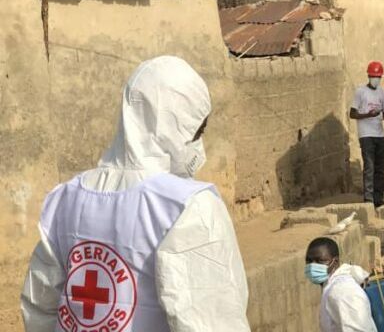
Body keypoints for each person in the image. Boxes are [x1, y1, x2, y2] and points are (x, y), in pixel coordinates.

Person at [21, 56, 250, 332]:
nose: (199, 145)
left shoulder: (65, 199)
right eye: (197, 132)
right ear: (174, 128)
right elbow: (211, 321)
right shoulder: (188, 206)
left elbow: (39, 306)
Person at [304, 237, 377, 332]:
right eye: (309, 261)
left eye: (320, 261)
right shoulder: (332, 286)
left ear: (335, 262)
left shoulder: (342, 291)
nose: (313, 265)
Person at [349, 61, 384, 207]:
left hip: (380, 135)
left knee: (380, 168)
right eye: (373, 76)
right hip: (366, 135)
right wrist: (367, 115)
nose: (376, 79)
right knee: (369, 167)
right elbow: (352, 114)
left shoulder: (382, 92)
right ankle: (368, 199)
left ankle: (378, 199)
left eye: (378, 76)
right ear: (369, 76)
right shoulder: (360, 92)